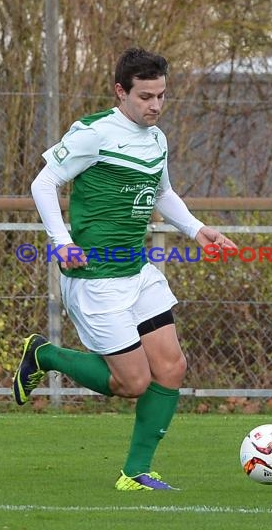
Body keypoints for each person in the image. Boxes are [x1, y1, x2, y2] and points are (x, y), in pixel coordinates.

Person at [12, 47, 236, 490]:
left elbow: (162, 193)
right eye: (145, 96)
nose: (155, 105)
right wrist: (62, 243)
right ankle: (45, 354)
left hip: (137, 271)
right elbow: (44, 182)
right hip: (97, 280)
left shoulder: (157, 139)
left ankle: (136, 472)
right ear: (121, 92)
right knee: (132, 382)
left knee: (171, 368)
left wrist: (197, 230)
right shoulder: (93, 133)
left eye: (161, 96)